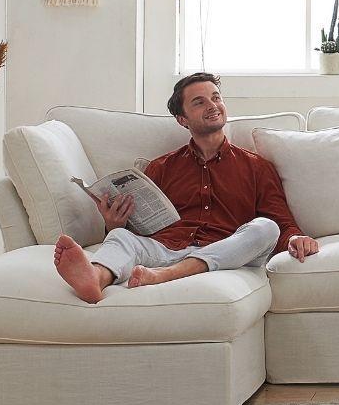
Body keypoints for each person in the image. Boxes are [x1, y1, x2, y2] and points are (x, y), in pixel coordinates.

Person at [53, 72, 318, 303]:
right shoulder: (161, 167)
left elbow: (279, 220)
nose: (212, 105)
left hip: (226, 249)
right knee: (121, 239)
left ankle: (166, 276)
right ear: (182, 119)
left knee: (265, 227)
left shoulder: (256, 167)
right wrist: (114, 224)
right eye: (199, 102)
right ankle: (95, 278)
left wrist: (295, 238)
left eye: (216, 97)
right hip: (167, 248)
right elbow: (141, 230)